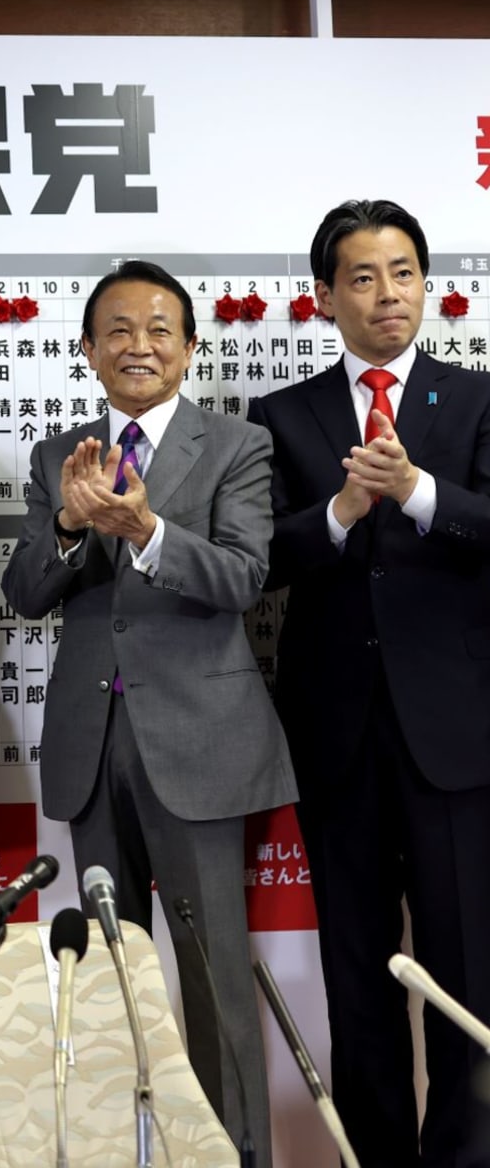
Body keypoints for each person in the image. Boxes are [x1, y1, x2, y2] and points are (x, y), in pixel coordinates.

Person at [1, 259, 292, 1155]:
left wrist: (149, 532)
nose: (139, 345)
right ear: (87, 349)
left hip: (198, 747)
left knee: (211, 988)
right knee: (110, 984)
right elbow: (25, 593)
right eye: (118, 330)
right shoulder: (62, 455)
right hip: (93, 746)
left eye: (160, 329)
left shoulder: (237, 445)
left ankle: (232, 1153)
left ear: (190, 347)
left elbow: (246, 576)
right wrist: (68, 528)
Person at [248, 199, 490, 1166]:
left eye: (402, 273)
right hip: (335, 728)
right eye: (362, 277)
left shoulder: (475, 400)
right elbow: (260, 559)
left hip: (455, 731)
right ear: (324, 296)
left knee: (465, 962)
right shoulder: (284, 415)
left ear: (425, 285)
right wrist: (343, 509)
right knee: (357, 967)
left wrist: (418, 492)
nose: (386, 295)